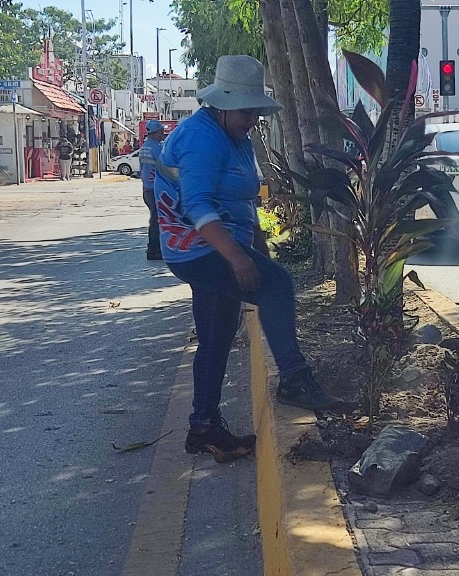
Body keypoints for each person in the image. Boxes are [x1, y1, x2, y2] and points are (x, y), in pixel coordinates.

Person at [153, 55, 337, 462]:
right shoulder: (201, 138)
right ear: (221, 104)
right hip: (196, 248)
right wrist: (238, 259)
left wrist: (256, 246)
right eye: (246, 111)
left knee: (217, 335)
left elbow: (244, 200)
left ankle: (204, 426)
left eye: (256, 111)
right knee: (277, 286)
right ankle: (293, 378)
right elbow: (198, 205)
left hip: (223, 242)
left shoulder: (234, 136)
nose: (252, 119)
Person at [139, 120, 168, 260]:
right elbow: (166, 168)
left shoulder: (144, 147)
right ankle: (154, 249)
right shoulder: (157, 148)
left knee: (155, 218)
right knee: (157, 220)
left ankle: (157, 247)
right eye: (161, 132)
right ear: (155, 133)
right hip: (156, 189)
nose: (163, 134)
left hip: (147, 189)